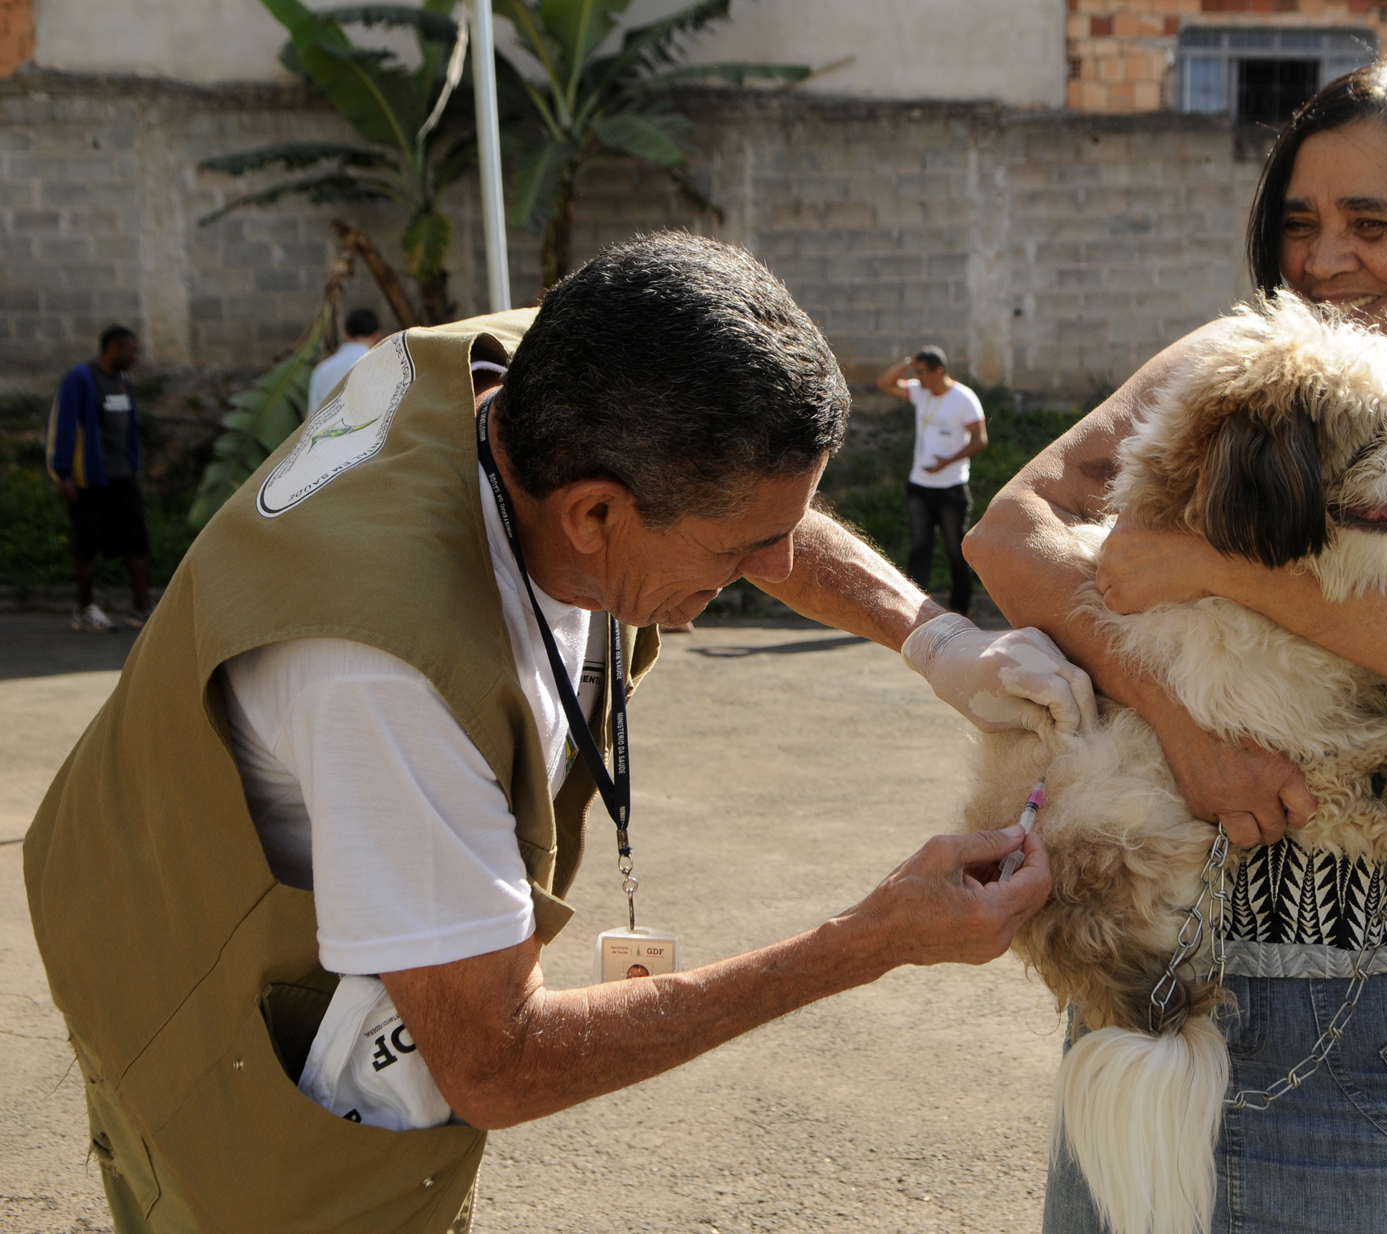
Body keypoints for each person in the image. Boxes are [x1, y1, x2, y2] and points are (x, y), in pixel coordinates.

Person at [25, 232, 1097, 1233]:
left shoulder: (563, 370)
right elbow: (493, 1059)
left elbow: (754, 505)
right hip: (178, 960)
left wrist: (938, 637)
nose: (761, 575)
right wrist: (869, 940)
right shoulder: (388, 674)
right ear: (594, 515)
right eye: (735, 558)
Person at [966, 57, 1387, 1234]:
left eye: (1372, 224)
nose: (1326, 260)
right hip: (1153, 993)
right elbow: (1011, 535)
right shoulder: (1225, 367)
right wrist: (1182, 724)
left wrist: (1220, 562)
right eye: (1299, 225)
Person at [47, 324, 151, 633]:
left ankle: (141, 609)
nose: (136, 357)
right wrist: (62, 474)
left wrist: (133, 463)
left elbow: (130, 426)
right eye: (131, 350)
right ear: (113, 348)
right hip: (89, 479)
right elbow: (63, 427)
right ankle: (85, 610)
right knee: (86, 545)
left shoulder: (123, 380)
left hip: (122, 476)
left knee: (136, 541)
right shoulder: (80, 379)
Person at [879, 345, 987, 616]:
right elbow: (884, 383)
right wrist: (907, 363)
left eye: (923, 372)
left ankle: (961, 607)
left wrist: (946, 462)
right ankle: (916, 608)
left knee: (955, 549)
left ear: (939, 371)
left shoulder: (964, 398)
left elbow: (980, 439)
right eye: (915, 372)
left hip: (951, 487)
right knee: (919, 547)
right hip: (919, 486)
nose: (918, 378)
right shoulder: (920, 392)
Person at [308, 307, 381, 417]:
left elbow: (312, 418)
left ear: (344, 333)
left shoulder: (322, 370)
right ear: (377, 335)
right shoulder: (381, 367)